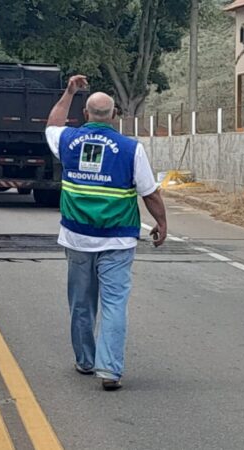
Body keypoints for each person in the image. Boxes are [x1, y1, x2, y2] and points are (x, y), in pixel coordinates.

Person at [45, 75, 168, 391]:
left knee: (81, 303)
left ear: (85, 114)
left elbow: (52, 124)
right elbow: (149, 193)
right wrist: (162, 223)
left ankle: (85, 360)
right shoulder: (130, 148)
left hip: (77, 237)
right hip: (117, 238)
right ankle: (109, 371)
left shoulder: (69, 141)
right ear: (115, 117)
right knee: (114, 304)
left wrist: (69, 92)